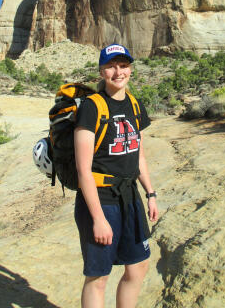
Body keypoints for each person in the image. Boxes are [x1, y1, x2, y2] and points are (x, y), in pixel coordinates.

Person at [74, 43, 158, 308]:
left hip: (130, 197)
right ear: (101, 71)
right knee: (98, 277)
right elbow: (83, 170)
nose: (118, 72)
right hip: (100, 200)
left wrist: (151, 193)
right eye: (111, 66)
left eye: (123, 66)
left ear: (130, 69)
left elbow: (139, 155)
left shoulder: (135, 104)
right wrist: (98, 219)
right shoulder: (91, 107)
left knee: (138, 268)